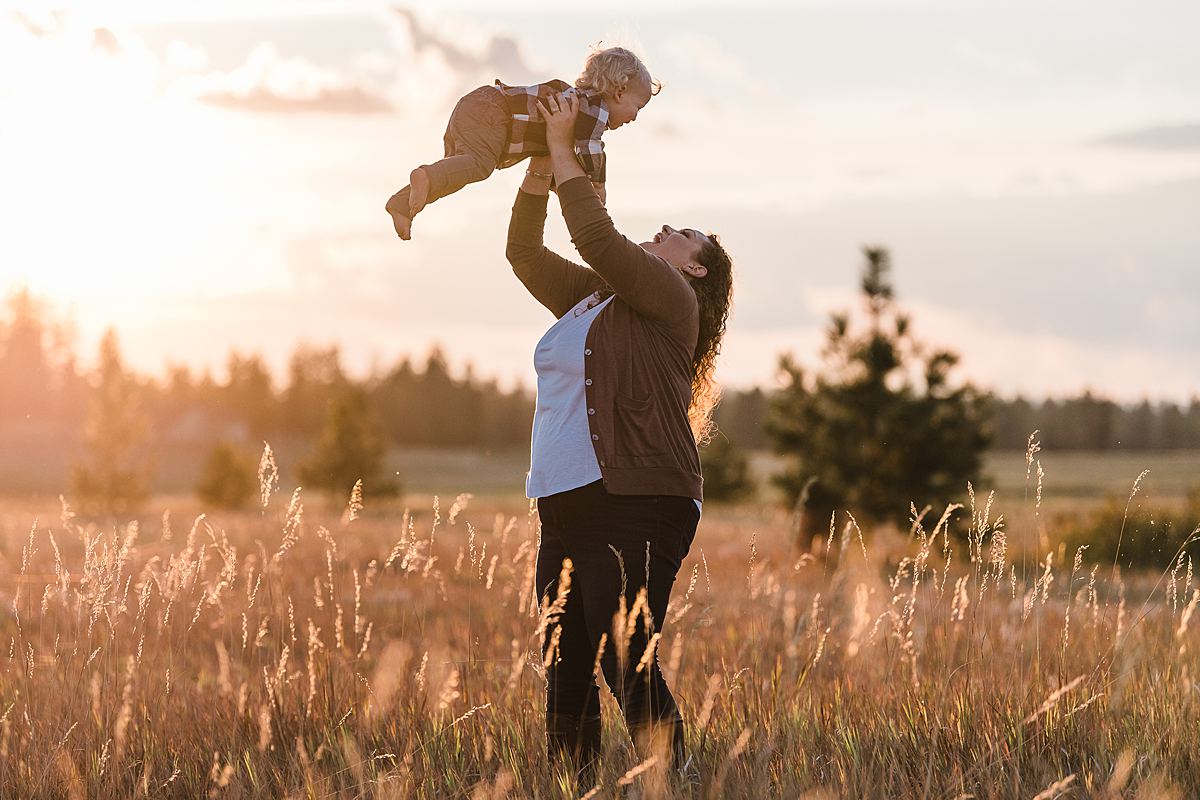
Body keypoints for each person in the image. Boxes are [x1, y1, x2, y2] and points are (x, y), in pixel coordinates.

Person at [505, 91, 734, 787]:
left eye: (681, 234)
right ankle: (572, 783)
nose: (664, 229)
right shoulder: (595, 296)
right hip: (564, 500)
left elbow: (597, 237)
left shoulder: (673, 299)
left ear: (693, 268)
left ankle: (676, 776)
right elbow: (522, 252)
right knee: (565, 658)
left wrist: (565, 151)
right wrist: (540, 173)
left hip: (639, 496)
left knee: (620, 645)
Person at [386, 46, 659, 240]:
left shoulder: (577, 106)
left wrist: (565, 188)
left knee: (457, 173)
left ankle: (402, 204)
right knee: (479, 166)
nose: (635, 117)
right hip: (493, 112)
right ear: (620, 91)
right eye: (639, 106)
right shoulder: (592, 106)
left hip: (479, 106)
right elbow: (592, 147)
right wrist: (598, 184)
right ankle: (425, 176)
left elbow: (563, 164)